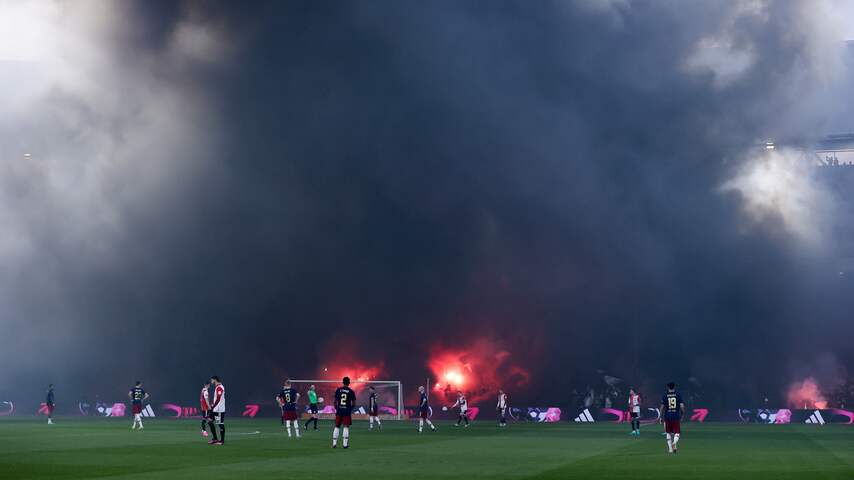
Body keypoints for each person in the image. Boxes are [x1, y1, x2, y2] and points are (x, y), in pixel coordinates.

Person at [659, 382, 685, 454]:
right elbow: (682, 406)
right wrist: (682, 415)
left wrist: (660, 416)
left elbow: (662, 407)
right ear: (674, 387)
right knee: (677, 432)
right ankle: (674, 442)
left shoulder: (665, 395)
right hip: (676, 416)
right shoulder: (678, 395)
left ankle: (670, 449)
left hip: (667, 416)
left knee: (668, 433)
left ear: (668, 387)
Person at [332, 376, 356, 448]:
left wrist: (337, 408)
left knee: (337, 426)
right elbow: (354, 403)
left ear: (343, 382)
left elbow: (335, 402)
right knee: (346, 427)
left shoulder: (338, 390)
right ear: (349, 383)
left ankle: (334, 444)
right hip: (346, 412)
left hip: (339, 411)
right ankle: (345, 445)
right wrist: (349, 409)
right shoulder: (351, 391)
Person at [208, 376, 226, 445]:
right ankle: (215, 438)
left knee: (220, 424)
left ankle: (222, 441)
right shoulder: (217, 387)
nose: (211, 381)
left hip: (219, 410)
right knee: (210, 421)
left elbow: (218, 398)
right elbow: (217, 399)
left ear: (215, 380)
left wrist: (213, 405)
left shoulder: (220, 387)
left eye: (212, 380)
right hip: (215, 409)